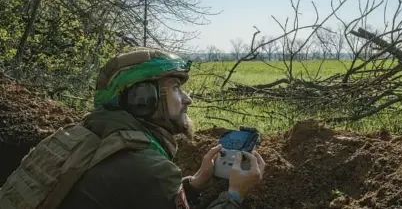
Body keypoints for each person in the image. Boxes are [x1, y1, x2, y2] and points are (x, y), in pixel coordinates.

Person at [58, 48, 266, 209]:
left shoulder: (81, 136)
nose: (188, 99)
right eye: (175, 87)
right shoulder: (150, 169)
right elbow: (146, 180)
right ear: (144, 99)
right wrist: (235, 194)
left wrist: (194, 184)